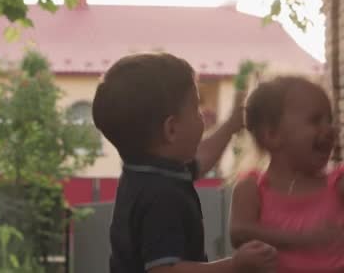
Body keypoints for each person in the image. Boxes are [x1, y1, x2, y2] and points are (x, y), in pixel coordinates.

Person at [92, 53, 276, 273]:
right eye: (196, 109)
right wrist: (235, 265)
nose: (202, 117)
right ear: (171, 129)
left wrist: (231, 125)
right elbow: (166, 270)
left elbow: (201, 159)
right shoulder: (161, 196)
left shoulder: (148, 172)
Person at [230, 75, 344, 273]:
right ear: (272, 135)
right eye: (316, 120)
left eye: (330, 120)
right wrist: (303, 239)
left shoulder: (337, 184)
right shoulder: (252, 189)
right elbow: (239, 231)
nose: (330, 129)